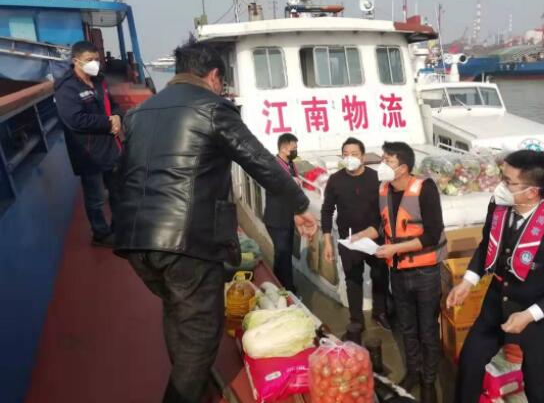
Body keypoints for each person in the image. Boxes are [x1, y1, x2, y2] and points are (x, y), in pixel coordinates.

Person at [113, 42, 317, 403]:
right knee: (203, 332)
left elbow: (122, 173)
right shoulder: (212, 108)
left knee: (176, 310)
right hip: (185, 241)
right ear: (213, 76)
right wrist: (299, 204)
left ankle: (195, 382)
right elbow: (259, 160)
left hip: (135, 239)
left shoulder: (139, 113)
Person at [448, 149, 544, 403]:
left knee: (537, 385)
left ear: (531, 191)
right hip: (496, 303)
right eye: (502, 178)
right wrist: (468, 281)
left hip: (538, 314)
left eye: (508, 182)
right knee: (469, 363)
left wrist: (529, 315)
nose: (500, 186)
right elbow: (487, 245)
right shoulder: (498, 209)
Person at [374, 141, 446, 403]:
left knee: (427, 330)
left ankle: (429, 381)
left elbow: (432, 234)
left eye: (388, 160)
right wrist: (362, 236)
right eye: (383, 159)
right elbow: (382, 225)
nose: (382, 164)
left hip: (425, 273)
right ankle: (413, 372)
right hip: (398, 272)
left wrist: (396, 248)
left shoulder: (425, 189)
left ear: (403, 168)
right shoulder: (384, 189)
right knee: (406, 327)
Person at [54, 40, 122, 246]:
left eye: (97, 59)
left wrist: (117, 116)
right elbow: (75, 120)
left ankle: (119, 228)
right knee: (96, 197)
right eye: (89, 59)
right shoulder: (67, 88)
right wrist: (108, 122)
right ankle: (100, 234)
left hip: (110, 147)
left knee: (117, 191)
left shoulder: (99, 81)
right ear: (76, 61)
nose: (95, 63)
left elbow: (112, 104)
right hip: (88, 152)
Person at [322, 137, 391, 332]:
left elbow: (386, 210)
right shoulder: (335, 180)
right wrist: (327, 241)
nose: (349, 158)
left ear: (363, 156)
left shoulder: (376, 178)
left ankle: (380, 313)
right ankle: (356, 319)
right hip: (349, 240)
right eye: (345, 154)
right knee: (352, 279)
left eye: (354, 154)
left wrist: (376, 231)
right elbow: (327, 210)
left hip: (374, 238)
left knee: (380, 274)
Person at [263, 132, 303, 293]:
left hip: (287, 218)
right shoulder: (274, 166)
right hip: (276, 219)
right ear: (284, 148)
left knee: (282, 255)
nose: (296, 150)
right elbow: (275, 186)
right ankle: (288, 289)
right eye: (294, 148)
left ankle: (278, 285)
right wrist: (290, 183)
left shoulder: (291, 165)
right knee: (283, 255)